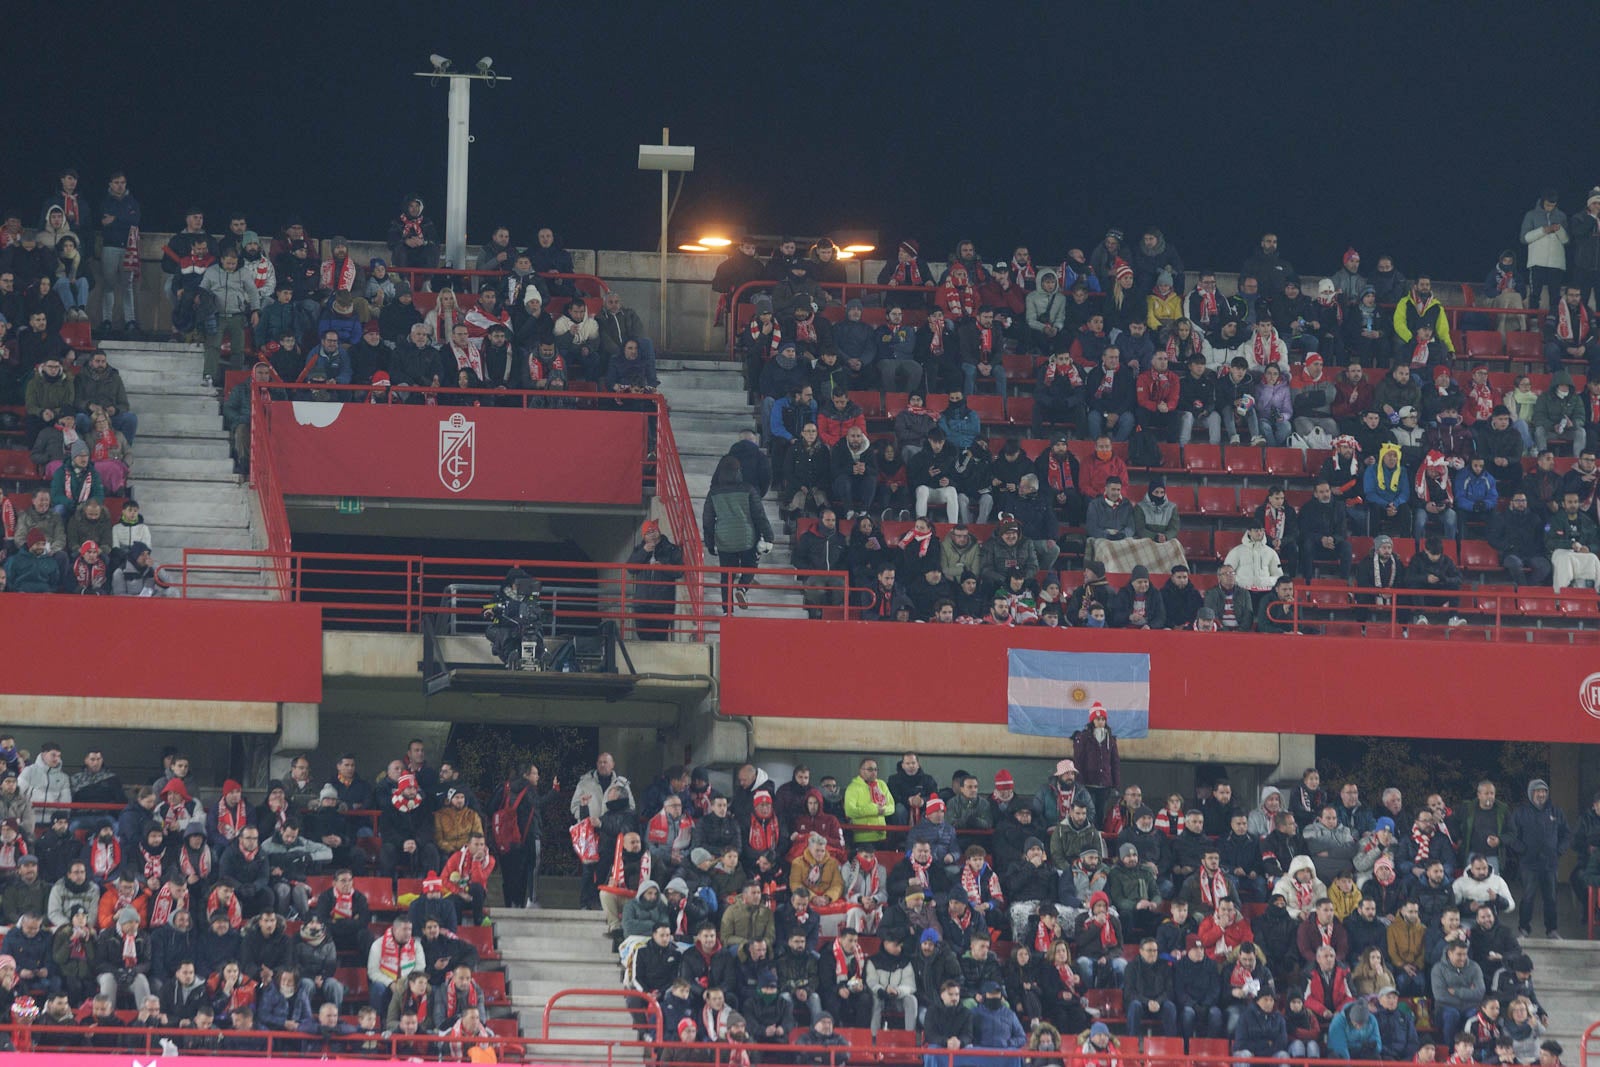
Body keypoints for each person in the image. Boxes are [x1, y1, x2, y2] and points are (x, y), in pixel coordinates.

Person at [704, 455, 774, 614]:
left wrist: (709, 542)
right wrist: (769, 537)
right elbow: (759, 515)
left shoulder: (713, 493)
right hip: (746, 537)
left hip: (724, 539)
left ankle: (727, 610)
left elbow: (707, 519)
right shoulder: (748, 489)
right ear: (738, 472)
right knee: (751, 564)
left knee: (726, 575)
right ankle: (742, 587)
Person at [1509, 779, 1570, 939]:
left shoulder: (1556, 812)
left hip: (1550, 864)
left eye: (1544, 791)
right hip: (1529, 864)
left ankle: (1552, 930)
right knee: (1528, 897)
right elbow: (1511, 835)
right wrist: (1521, 850)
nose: (1541, 794)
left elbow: (1567, 834)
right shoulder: (1520, 812)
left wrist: (1559, 850)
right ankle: (1523, 929)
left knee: (1550, 898)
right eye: (1537, 791)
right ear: (1531, 794)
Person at [628, 520, 684, 641]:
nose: (651, 534)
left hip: (663, 604)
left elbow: (679, 571)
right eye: (648, 532)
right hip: (642, 604)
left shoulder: (671, 549)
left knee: (659, 638)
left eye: (653, 531)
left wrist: (663, 567)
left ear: (659, 531)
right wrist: (644, 552)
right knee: (643, 637)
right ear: (644, 536)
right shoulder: (639, 549)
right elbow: (630, 568)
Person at [1521, 189, 1568, 313]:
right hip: (1537, 261)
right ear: (1542, 202)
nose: (1550, 208)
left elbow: (1566, 240)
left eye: (1553, 205)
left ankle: (1554, 321)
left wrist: (1559, 230)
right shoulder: (1531, 215)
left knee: (1555, 295)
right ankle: (1533, 320)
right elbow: (1524, 238)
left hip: (1556, 263)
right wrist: (1543, 230)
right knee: (1535, 293)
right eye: (1547, 205)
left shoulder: (1561, 216)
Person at [1546, 491, 1600, 591]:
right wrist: (1570, 545)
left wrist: (1589, 548)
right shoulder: (1553, 520)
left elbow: (1596, 543)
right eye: (1570, 502)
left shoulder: (1587, 521)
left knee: (1593, 558)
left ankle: (1596, 592)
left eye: (1575, 502)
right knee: (1566, 558)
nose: (1573, 505)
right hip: (1560, 552)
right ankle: (1561, 592)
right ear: (1563, 504)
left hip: (1581, 553)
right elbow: (1549, 542)